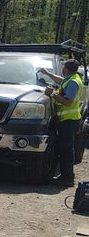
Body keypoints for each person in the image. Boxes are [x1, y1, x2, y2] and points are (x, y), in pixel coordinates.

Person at [40, 59, 83, 187]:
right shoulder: (73, 78)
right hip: (69, 120)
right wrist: (47, 73)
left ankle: (67, 178)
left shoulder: (73, 82)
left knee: (66, 150)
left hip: (68, 121)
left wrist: (52, 93)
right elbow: (61, 80)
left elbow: (68, 102)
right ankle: (66, 176)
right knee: (66, 149)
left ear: (65, 69)